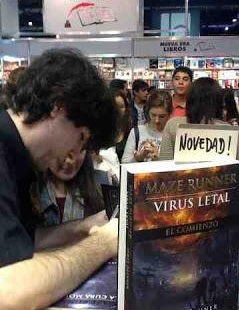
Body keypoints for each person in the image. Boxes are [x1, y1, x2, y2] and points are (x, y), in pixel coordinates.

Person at [0, 48, 119, 310]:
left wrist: (84, 226)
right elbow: (9, 291)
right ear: (58, 106)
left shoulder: (15, 155)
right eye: (81, 138)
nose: (75, 155)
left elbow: (18, 240)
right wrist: (104, 243)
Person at [159, 77, 228, 161]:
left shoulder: (174, 125)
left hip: (182, 173)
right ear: (218, 102)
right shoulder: (229, 130)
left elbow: (165, 163)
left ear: (190, 99)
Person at [32, 149, 104, 227]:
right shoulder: (30, 193)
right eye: (62, 149)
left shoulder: (101, 190)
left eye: (80, 149)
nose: (70, 161)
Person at [122, 90, 172, 163]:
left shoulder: (173, 133)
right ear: (148, 112)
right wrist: (139, 158)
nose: (156, 120)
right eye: (153, 115)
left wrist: (159, 159)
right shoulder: (137, 132)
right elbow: (124, 162)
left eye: (162, 116)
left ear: (169, 115)